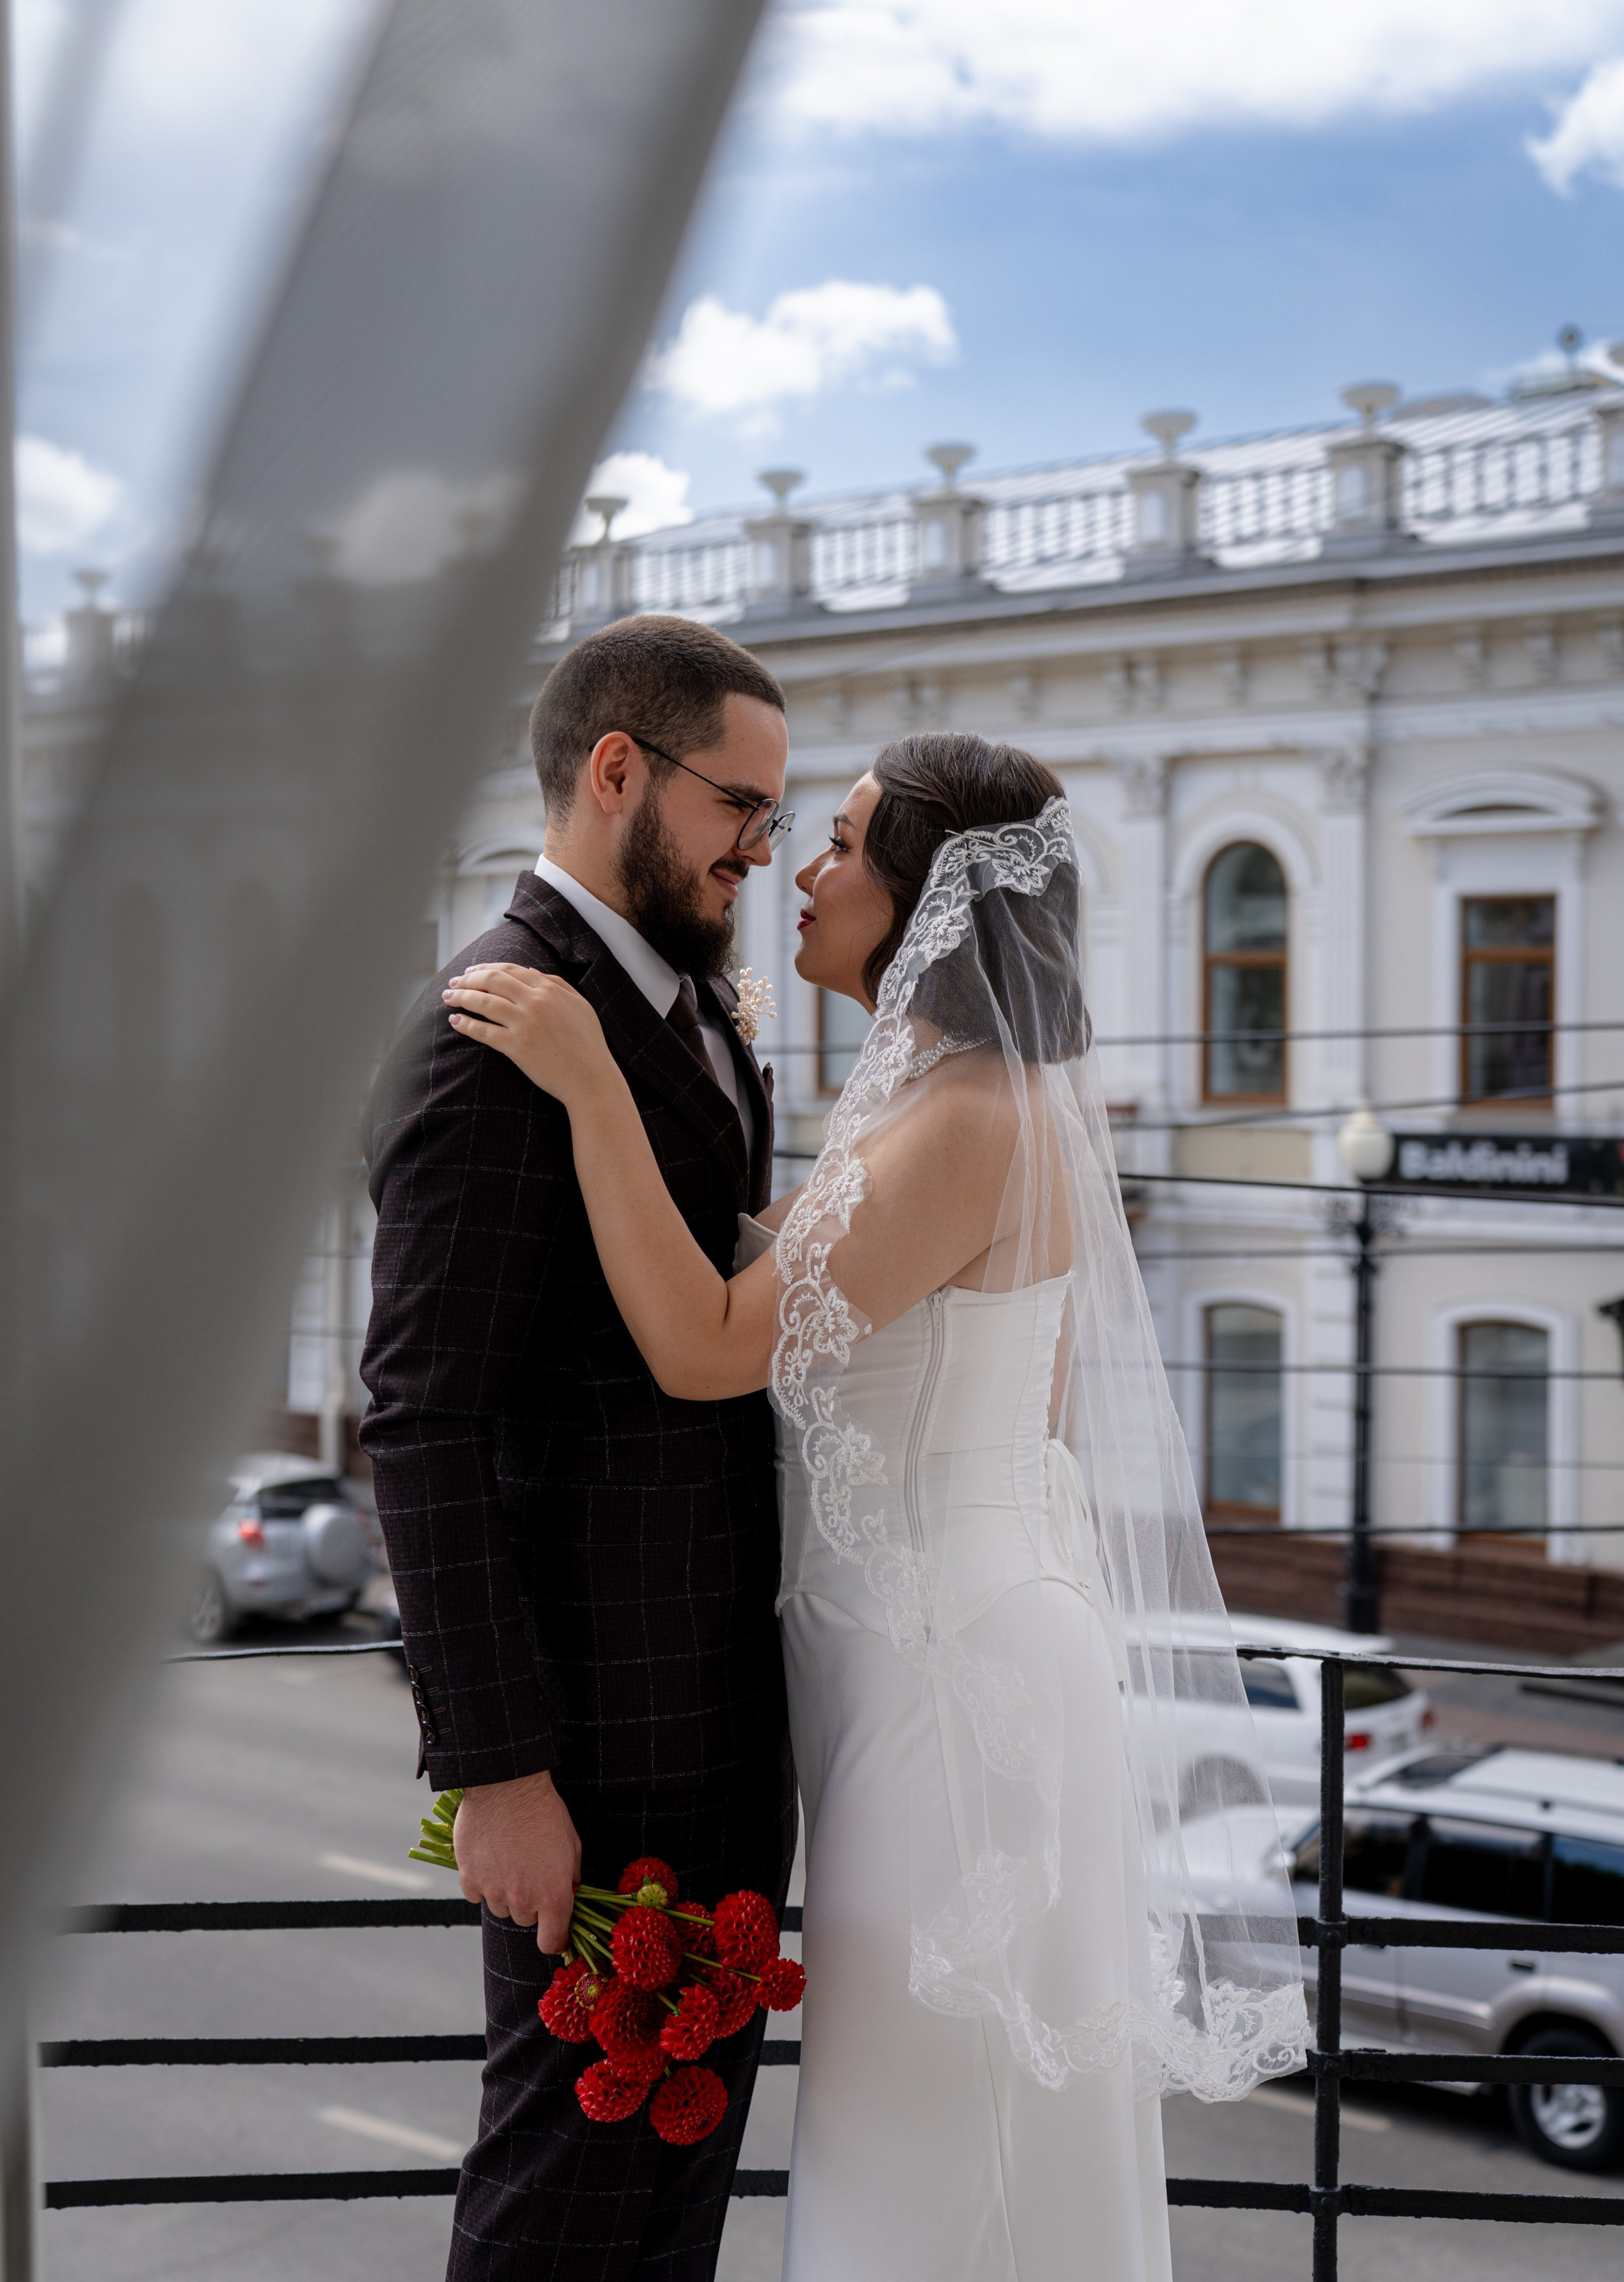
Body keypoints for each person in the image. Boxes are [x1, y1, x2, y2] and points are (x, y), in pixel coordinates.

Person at [442, 732, 1310, 2282]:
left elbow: (712, 1339)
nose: (801, 864)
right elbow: (800, 1289)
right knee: (902, 2127)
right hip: (894, 1656)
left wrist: (585, 1080)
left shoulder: (972, 1116)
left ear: (927, 902)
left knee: (928, 2144)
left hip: (942, 1678)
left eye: (839, 841)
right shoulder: (926, 1094)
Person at [358, 614, 798, 2282]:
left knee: (662, 2217)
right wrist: (494, 1767)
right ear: (616, 769)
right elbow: (422, 1414)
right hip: (592, 1763)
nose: (761, 845)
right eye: (736, 806)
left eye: (775, 814)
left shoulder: (695, 1012)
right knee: (562, 2211)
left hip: (713, 1732)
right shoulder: (485, 1037)